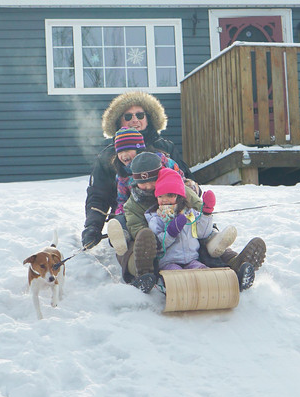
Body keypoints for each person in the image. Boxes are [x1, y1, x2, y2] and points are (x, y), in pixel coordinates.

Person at [122, 154, 264, 293]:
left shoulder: (179, 189)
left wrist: (206, 212)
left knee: (206, 252)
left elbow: (197, 212)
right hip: (160, 249)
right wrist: (160, 236)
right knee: (146, 249)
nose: (147, 186)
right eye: (142, 183)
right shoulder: (139, 208)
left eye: (152, 181)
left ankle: (235, 266)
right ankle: (146, 276)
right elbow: (137, 228)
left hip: (191, 246)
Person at [82, 91, 191, 250]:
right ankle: (138, 267)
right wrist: (93, 226)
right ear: (119, 121)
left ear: (149, 118)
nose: (135, 120)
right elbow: (98, 195)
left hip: (169, 207)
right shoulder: (109, 156)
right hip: (131, 215)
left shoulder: (165, 149)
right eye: (128, 116)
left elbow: (185, 181)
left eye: (140, 115)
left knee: (189, 225)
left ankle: (214, 248)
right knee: (132, 241)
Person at [146, 168, 217, 271]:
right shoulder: (156, 219)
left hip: (192, 259)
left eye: (170, 195)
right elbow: (158, 246)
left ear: (179, 197)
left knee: (202, 271)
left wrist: (206, 213)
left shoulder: (190, 213)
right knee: (176, 274)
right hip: (168, 262)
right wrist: (171, 233)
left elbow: (202, 233)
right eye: (160, 196)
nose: (164, 199)